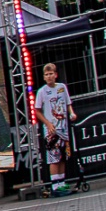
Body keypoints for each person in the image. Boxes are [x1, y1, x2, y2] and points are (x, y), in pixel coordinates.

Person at [35, 61, 76, 196]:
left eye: (51, 74)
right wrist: (47, 123)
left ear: (56, 75)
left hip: (63, 127)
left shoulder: (62, 87)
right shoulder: (42, 92)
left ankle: (62, 183)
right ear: (44, 77)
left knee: (63, 156)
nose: (49, 77)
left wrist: (72, 113)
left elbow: (68, 103)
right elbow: (37, 111)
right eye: (46, 74)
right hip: (52, 130)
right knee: (54, 157)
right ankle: (55, 185)